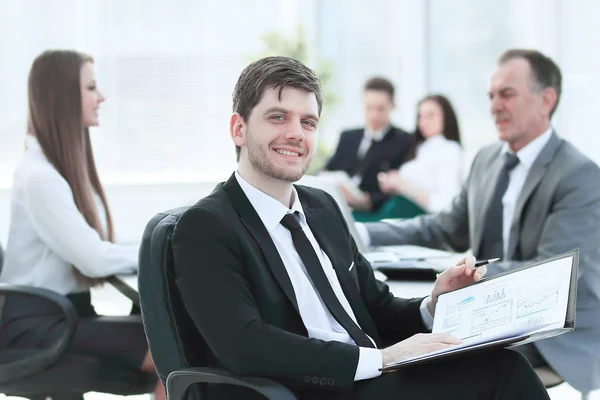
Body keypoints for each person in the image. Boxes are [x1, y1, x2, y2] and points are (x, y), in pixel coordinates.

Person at [171, 56, 549, 399]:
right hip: (312, 390)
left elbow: (376, 307)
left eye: (307, 122)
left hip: (373, 379)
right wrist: (379, 359)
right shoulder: (206, 227)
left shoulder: (322, 208)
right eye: (277, 117)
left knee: (502, 361)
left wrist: (434, 303)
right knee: (503, 376)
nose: (295, 134)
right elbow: (244, 344)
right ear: (238, 129)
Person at [361, 49, 600, 394]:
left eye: (507, 94)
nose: (494, 106)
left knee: (448, 359)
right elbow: (441, 228)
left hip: (554, 328)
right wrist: (360, 233)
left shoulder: (579, 175)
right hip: (490, 309)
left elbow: (552, 271)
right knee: (401, 337)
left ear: (547, 99)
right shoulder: (486, 160)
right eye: (491, 96)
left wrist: (470, 283)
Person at [0, 50, 165, 399]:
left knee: (171, 342)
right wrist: (157, 250)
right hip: (39, 326)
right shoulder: (40, 177)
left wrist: (160, 238)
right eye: (91, 87)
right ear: (62, 97)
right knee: (175, 349)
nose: (101, 96)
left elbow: (95, 241)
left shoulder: (53, 171)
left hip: (61, 314)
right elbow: (94, 259)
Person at [324, 77, 411, 212]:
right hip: (337, 206)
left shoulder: (404, 141)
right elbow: (327, 171)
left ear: (393, 106)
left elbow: (402, 186)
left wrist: (369, 201)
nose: (373, 115)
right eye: (368, 107)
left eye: (380, 108)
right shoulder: (348, 137)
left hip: (373, 212)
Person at [378, 94, 463, 212]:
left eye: (430, 115)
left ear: (446, 117)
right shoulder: (420, 148)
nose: (423, 122)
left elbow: (446, 204)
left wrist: (402, 185)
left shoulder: (450, 149)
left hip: (416, 217)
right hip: (394, 208)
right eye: (420, 116)